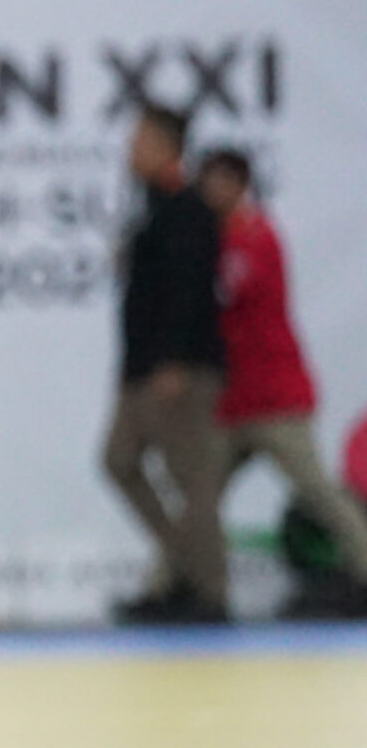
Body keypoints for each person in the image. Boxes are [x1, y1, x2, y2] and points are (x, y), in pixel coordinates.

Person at [198, 148, 367, 617]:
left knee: (320, 492)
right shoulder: (216, 239)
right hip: (233, 400)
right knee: (199, 497)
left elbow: (224, 292)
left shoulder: (255, 237)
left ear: (238, 185)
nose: (210, 191)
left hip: (274, 395)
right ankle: (175, 584)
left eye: (218, 181)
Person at [103, 102, 230, 625]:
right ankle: (182, 569)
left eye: (139, 139)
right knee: (119, 460)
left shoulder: (186, 207)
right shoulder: (153, 205)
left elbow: (191, 289)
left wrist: (175, 358)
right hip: (142, 367)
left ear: (164, 146)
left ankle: (208, 593)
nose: (130, 150)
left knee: (193, 482)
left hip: (175, 369)